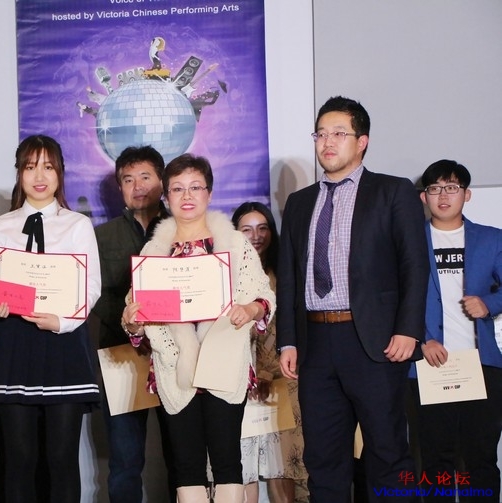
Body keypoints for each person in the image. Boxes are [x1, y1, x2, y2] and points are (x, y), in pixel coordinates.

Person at [276, 96, 428, 502]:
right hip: (315, 344)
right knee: (323, 459)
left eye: (339, 133)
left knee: (387, 452)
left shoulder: (392, 191)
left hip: (375, 342)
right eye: (321, 134)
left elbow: (415, 266)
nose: (327, 142)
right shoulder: (299, 203)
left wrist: (408, 329)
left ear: (362, 141)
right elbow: (289, 278)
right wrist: (288, 340)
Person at [122, 153, 275, 503]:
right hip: (175, 367)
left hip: (224, 362)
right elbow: (136, 319)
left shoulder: (235, 245)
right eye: (178, 189)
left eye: (195, 187)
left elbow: (264, 296)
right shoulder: (154, 251)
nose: (187, 196)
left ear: (209, 193)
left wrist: (249, 309)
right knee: (186, 465)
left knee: (227, 461)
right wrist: (133, 321)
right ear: (166, 197)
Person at [0, 135, 102, 503]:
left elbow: (90, 287)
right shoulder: (1, 226)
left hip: (63, 343)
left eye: (48, 167)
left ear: (60, 173)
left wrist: (62, 322)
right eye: (30, 167)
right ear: (19, 173)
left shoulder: (77, 225)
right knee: (18, 458)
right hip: (14, 343)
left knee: (61, 458)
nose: (39, 176)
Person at [409, 159, 502, 502]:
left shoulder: (491, 239)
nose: (443, 196)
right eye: (435, 189)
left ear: (467, 194)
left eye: (451, 188)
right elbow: (394, 299)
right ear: (424, 197)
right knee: (435, 462)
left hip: (482, 365)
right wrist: (422, 340)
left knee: (481, 459)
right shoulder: (409, 242)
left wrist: (489, 304)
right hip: (431, 364)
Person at [92, 145, 176, 503]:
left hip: (175, 355)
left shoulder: (182, 231)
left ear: (162, 181)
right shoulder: (101, 237)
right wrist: (131, 319)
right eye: (128, 179)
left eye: (145, 177)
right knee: (125, 460)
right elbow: (93, 294)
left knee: (182, 456)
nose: (138, 186)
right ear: (120, 187)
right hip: (121, 355)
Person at [231, 202, 308, 503]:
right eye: (247, 230)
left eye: (263, 228)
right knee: (242, 466)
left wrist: (268, 371)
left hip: (283, 380)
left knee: (287, 462)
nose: (256, 236)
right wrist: (253, 374)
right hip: (240, 381)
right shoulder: (227, 276)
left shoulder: (285, 273)